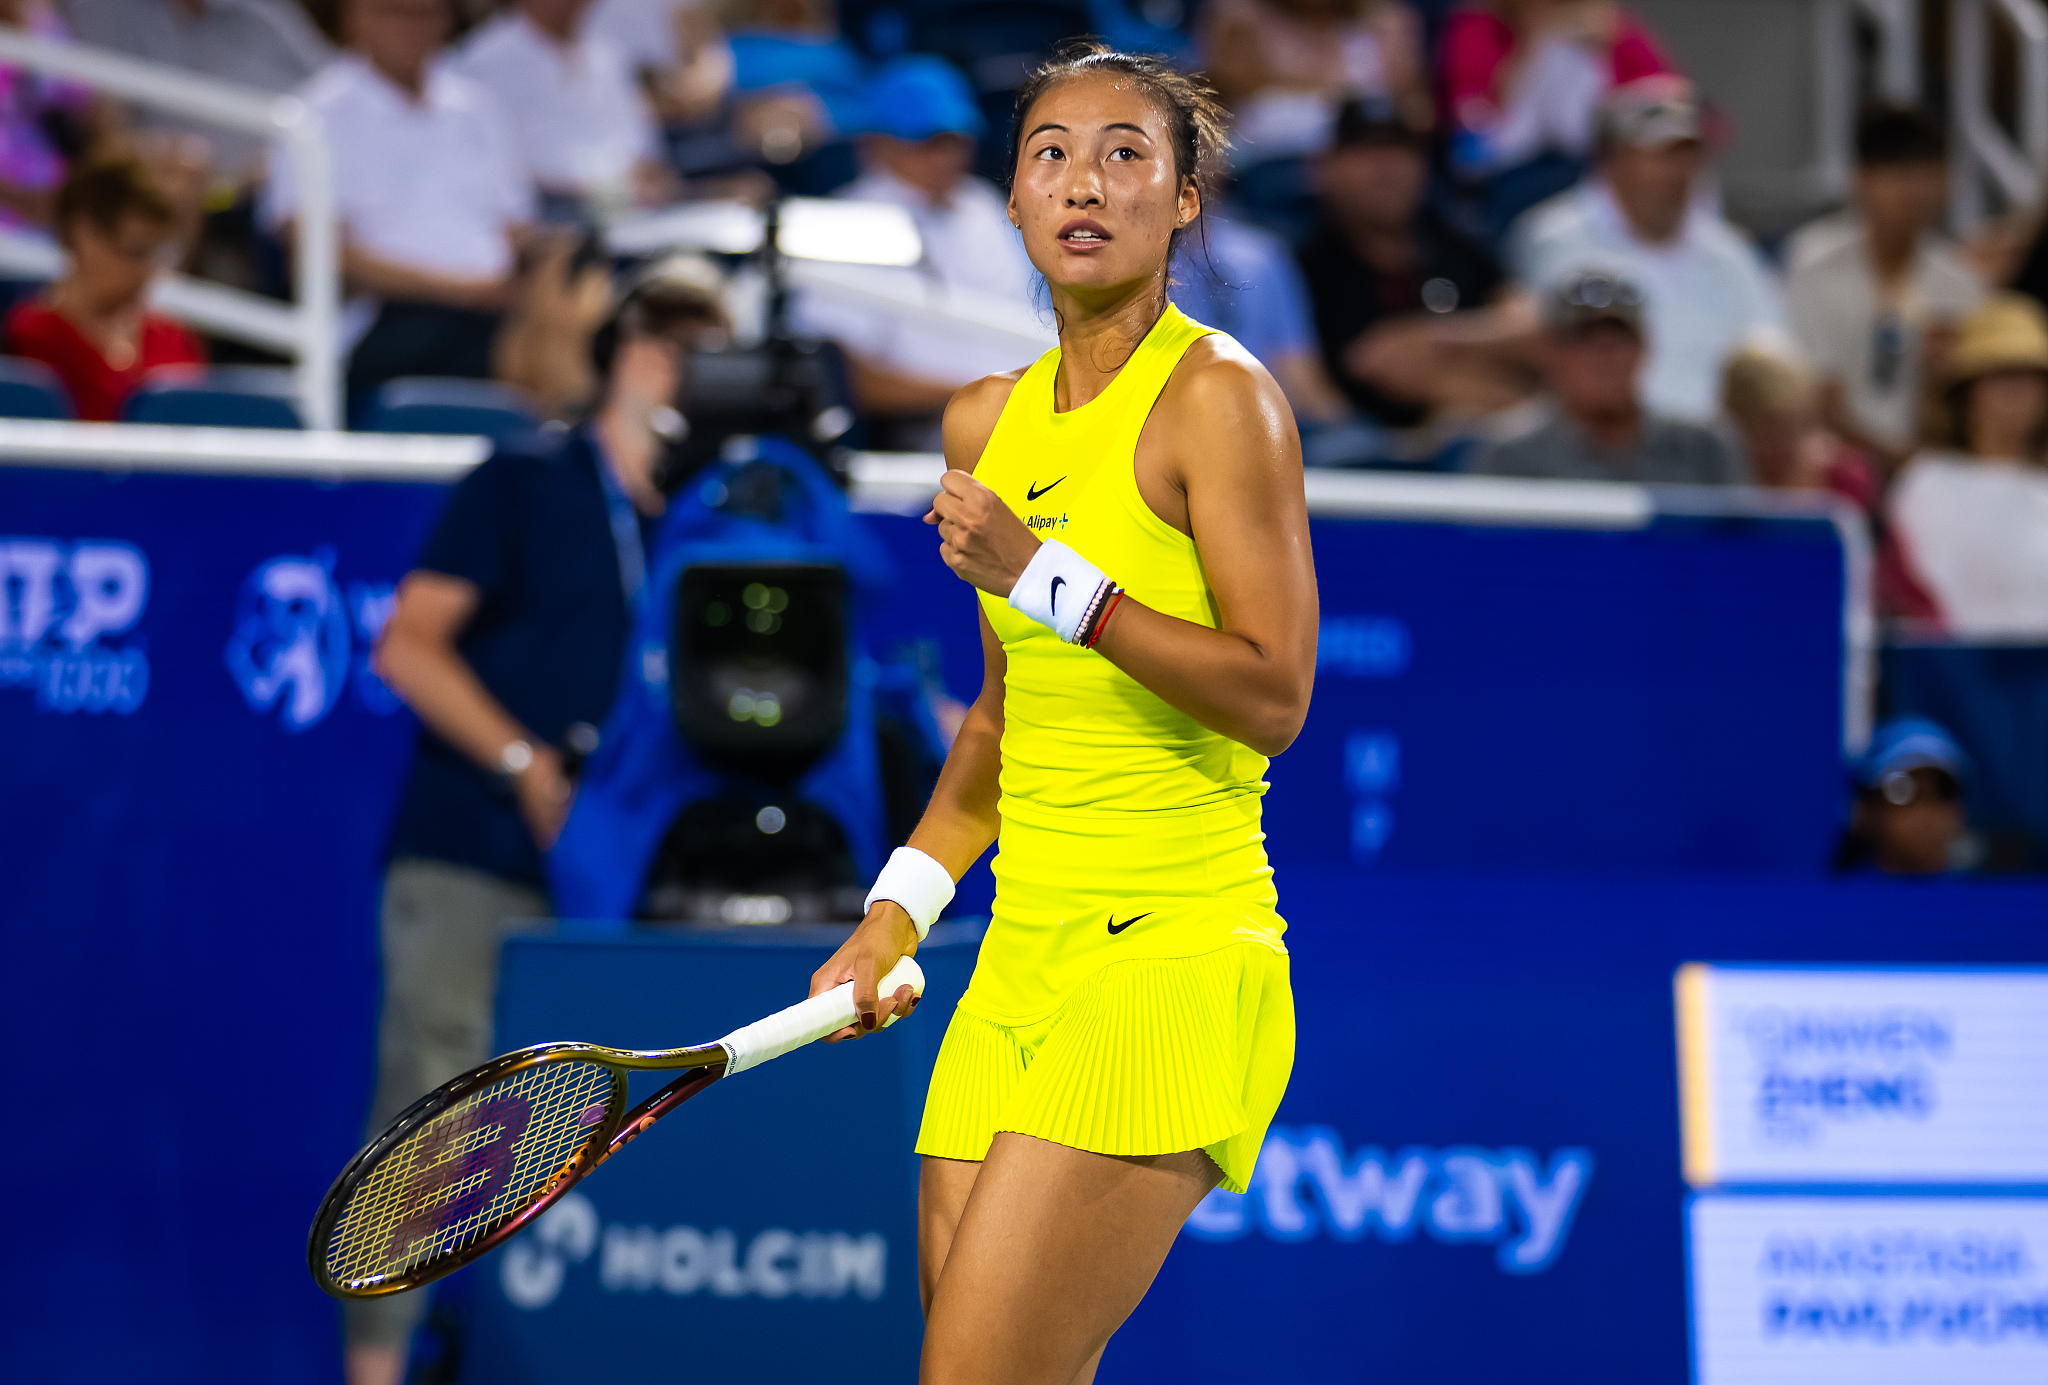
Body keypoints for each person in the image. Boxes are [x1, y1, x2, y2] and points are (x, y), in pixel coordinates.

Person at [806, 44, 1315, 1383]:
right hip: (1016, 967)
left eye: (1124, 153)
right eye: (1049, 154)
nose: (1082, 180)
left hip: (1170, 959)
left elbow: (1274, 694)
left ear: (1185, 198)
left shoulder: (1223, 400)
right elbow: (996, 722)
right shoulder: (987, 422)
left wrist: (1042, 574)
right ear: (1016, 203)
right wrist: (895, 912)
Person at [347, 264, 727, 1385]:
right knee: (432, 1110)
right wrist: (520, 761)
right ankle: (378, 1370)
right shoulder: (524, 477)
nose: (675, 363)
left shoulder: (709, 512)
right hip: (476, 841)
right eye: (660, 338)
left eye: (703, 346)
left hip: (627, 870)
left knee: (598, 1123)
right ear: (620, 349)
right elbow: (409, 642)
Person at [264, 0, 535, 407]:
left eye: (428, 13)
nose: (414, 27)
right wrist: (460, 290)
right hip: (383, 324)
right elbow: (323, 257)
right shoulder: (313, 115)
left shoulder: (480, 108)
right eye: (398, 11)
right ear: (355, 16)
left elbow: (518, 232)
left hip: (492, 312)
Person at [791, 55, 1038, 450]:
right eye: (925, 141)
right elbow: (844, 377)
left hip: (1035, 415)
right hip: (929, 443)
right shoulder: (842, 223)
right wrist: (983, 395)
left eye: (954, 140)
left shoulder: (982, 205)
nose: (944, 156)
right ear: (876, 144)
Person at [1511, 75, 1785, 423]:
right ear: (1614, 161)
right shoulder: (1556, 240)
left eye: (1688, 155)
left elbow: (1773, 356)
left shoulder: (1732, 253)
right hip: (1600, 445)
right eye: (1661, 156)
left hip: (1716, 453)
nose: (1678, 172)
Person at [1297, 97, 1531, 431]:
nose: (1386, 167)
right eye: (1366, 151)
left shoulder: (1455, 244)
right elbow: (1384, 367)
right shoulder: (1310, 265)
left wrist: (1439, 340)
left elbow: (1531, 326)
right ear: (1327, 167)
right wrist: (1495, 363)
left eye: (1401, 150)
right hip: (1367, 461)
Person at [1785, 105, 1984, 475]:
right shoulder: (1813, 263)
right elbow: (1815, 398)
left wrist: (1939, 386)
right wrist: (1893, 459)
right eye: (1895, 172)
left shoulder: (1962, 285)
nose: (1911, 189)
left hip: (1929, 468)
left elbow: (1966, 420)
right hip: (1835, 462)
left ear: (1945, 180)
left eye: (1924, 172)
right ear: (1860, 180)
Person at [1719, 344, 1939, 619]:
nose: (1783, 445)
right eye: (1767, 430)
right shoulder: (1713, 493)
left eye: (1796, 426)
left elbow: (1902, 593)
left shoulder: (1847, 484)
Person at [1476, 267, 1740, 482]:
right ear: (1551, 352)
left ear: (1644, 349)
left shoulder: (1702, 450)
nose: (1606, 356)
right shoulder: (1512, 456)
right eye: (1585, 339)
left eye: (1621, 339)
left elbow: (1741, 544)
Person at [1889, 293, 2048, 639]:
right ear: (1968, 392)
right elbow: (1909, 601)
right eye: (2001, 375)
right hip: (1950, 679)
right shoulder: (1925, 483)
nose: (2016, 390)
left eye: (2029, 376)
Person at [1440, 0, 1674, 234]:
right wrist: (1539, 40)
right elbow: (1471, 153)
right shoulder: (1476, 27)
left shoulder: (1606, 25)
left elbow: (1678, 108)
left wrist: (1608, 47)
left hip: (1601, 181)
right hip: (1508, 185)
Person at [5, 153, 204, 420]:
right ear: (84, 234)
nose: (146, 271)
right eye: (135, 250)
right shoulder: (31, 339)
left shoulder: (174, 339)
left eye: (157, 253)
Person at [63, 0, 332, 190]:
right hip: (185, 186)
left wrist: (279, 161)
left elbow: (338, 82)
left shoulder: (264, 11)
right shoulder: (102, 12)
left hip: (282, 179)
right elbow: (104, 124)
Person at [455, 0, 669, 217]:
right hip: (548, 210)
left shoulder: (608, 45)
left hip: (630, 202)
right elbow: (492, 167)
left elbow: (643, 141)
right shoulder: (482, 61)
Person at [1199, 0, 1431, 166]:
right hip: (1266, 176)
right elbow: (1214, 113)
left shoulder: (1387, 22)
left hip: (1365, 169)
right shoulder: (1239, 17)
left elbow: (1420, 116)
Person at [1836, 717, 1971, 875]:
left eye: (1944, 792)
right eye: (1902, 791)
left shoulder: (1979, 895)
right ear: (1863, 810)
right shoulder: (1838, 899)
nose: (1927, 813)